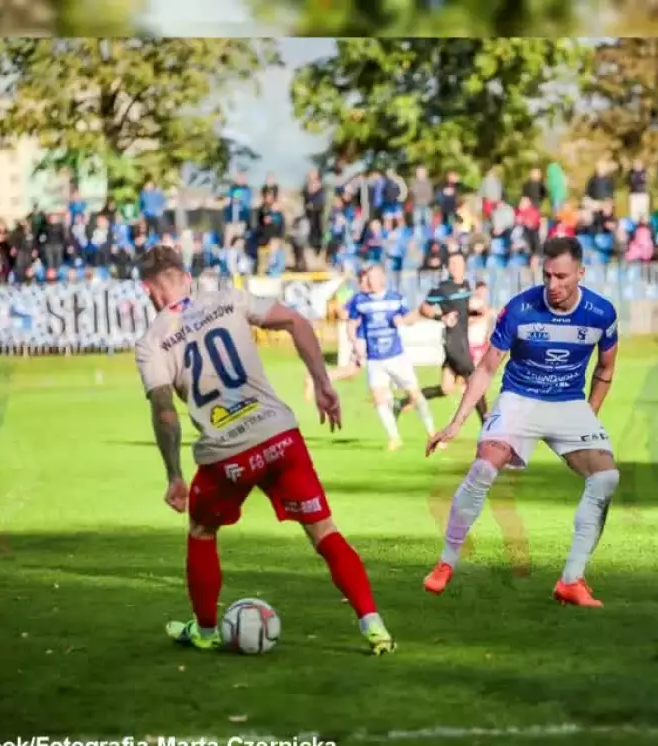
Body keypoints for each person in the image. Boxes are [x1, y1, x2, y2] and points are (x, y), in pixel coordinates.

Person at [133, 245, 394, 655]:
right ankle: (374, 625)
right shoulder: (225, 298)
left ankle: (204, 630)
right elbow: (295, 321)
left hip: (226, 454)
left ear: (148, 290)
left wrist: (174, 475)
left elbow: (165, 412)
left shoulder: (152, 343)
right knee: (324, 531)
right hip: (280, 437)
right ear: (186, 277)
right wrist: (323, 384)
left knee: (202, 530)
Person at [424, 236, 621, 607]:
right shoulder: (520, 308)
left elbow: (606, 369)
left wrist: (587, 417)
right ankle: (445, 564)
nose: (553, 285)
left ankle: (571, 581)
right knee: (483, 468)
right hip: (519, 400)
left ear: (580, 273)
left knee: (607, 477)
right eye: (547, 275)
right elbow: (486, 368)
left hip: (568, 403)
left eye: (562, 276)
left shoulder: (601, 313)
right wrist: (456, 423)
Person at [347, 264, 435, 450]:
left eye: (374, 277)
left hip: (396, 356)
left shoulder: (395, 299)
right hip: (374, 359)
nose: (370, 281)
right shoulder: (360, 300)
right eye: (368, 277)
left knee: (414, 394)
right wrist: (355, 343)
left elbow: (411, 317)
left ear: (382, 279)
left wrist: (403, 321)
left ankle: (432, 432)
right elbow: (351, 323)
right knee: (379, 398)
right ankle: (394, 438)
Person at [419, 252, 489, 421]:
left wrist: (475, 313)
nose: (455, 267)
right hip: (453, 343)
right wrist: (440, 317)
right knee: (475, 382)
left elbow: (462, 310)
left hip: (462, 340)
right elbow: (424, 308)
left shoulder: (466, 285)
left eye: (458, 263)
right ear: (447, 267)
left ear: (464, 265)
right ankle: (487, 424)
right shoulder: (442, 289)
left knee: (446, 388)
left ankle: (409, 398)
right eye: (452, 264)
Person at [303, 269, 369, 402]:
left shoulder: (362, 295)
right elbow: (343, 313)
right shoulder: (355, 295)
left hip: (362, 333)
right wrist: (357, 320)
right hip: (357, 332)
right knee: (353, 369)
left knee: (352, 371)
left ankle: (316, 380)